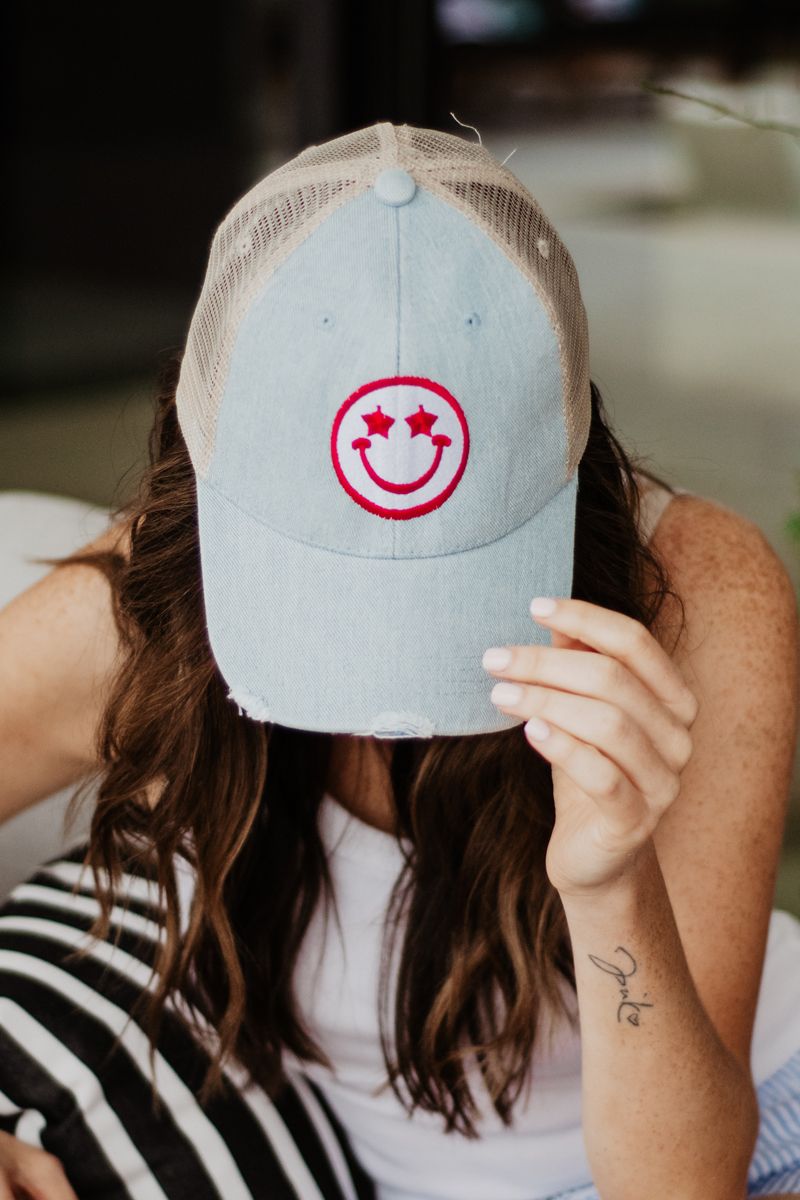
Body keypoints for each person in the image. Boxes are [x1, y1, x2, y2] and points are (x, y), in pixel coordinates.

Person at [0, 120, 799, 1200]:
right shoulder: (155, 599)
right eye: (320, 577)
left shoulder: (698, 598)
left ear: (571, 470)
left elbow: (679, 1186)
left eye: (451, 577)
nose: (384, 710)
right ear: (203, 479)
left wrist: (609, 883)